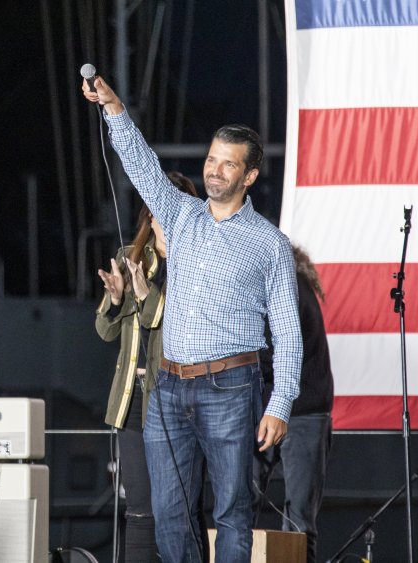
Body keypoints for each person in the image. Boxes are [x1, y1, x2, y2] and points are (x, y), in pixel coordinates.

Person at [83, 77, 302, 562]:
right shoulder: (182, 215)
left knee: (231, 513)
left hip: (231, 386)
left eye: (228, 163)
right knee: (169, 515)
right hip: (167, 387)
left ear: (248, 176)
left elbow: (288, 331)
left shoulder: (269, 243)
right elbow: (142, 166)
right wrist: (115, 109)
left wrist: (280, 402)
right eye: (211, 159)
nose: (215, 170)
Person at [96, 176, 198, 563]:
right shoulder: (130, 256)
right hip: (131, 400)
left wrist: (144, 296)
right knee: (139, 510)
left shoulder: (196, 261)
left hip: (176, 397)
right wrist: (117, 297)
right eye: (159, 206)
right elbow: (105, 331)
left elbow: (178, 326)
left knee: (178, 510)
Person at [255, 244, 333, 563]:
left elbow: (278, 351)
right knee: (291, 519)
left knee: (298, 524)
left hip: (302, 412)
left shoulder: (289, 290)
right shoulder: (290, 284)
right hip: (276, 408)